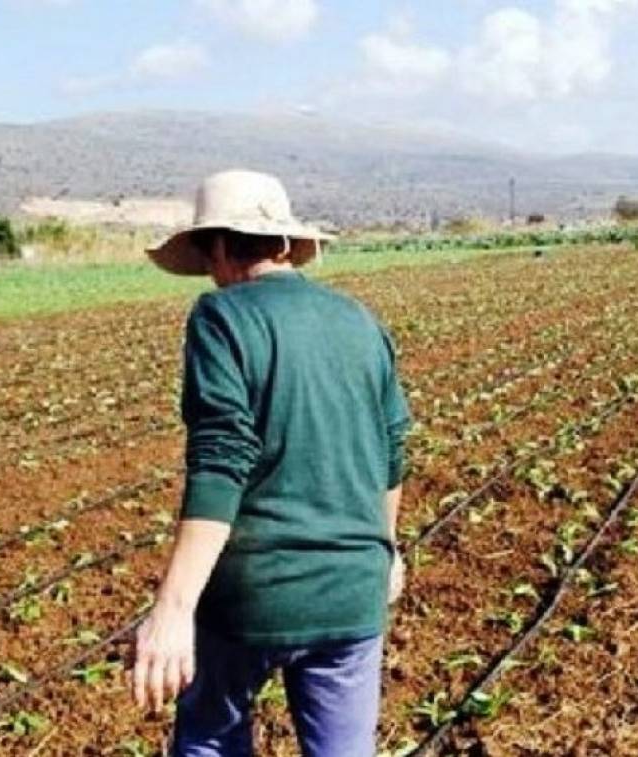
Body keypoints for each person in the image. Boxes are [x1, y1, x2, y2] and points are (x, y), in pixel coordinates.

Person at [129, 169, 412, 756]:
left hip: (253, 595)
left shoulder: (222, 317)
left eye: (209, 256)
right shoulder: (361, 321)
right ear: (285, 244)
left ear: (219, 248)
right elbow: (392, 450)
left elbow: (221, 458)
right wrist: (384, 548)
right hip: (353, 589)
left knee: (210, 737)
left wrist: (173, 609)